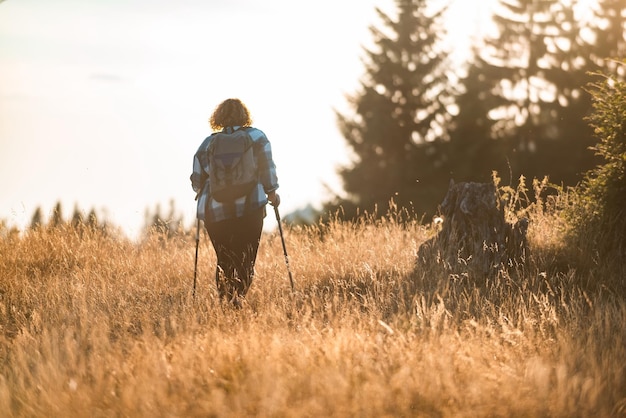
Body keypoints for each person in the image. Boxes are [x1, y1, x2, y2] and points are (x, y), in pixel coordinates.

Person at [190, 98, 280, 308]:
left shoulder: (207, 144)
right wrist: (272, 193)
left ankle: (226, 303)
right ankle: (238, 300)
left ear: (218, 117)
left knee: (224, 259)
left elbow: (196, 180)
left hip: (215, 211)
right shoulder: (257, 137)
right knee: (245, 258)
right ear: (244, 116)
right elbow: (267, 169)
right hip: (250, 208)